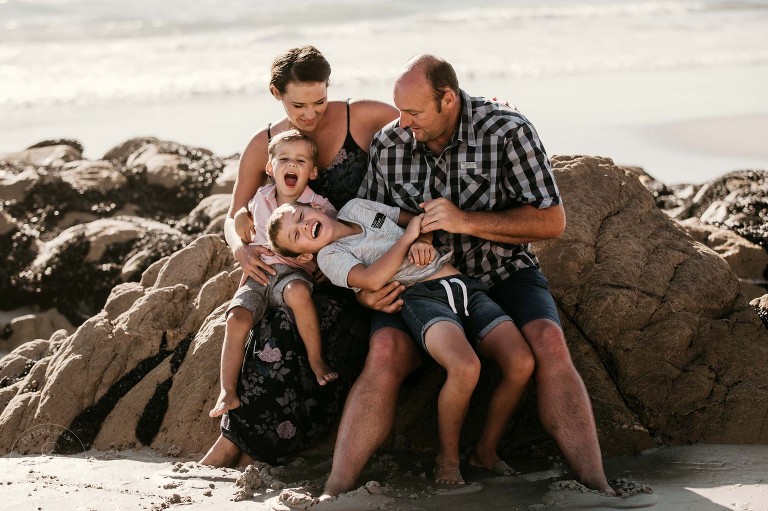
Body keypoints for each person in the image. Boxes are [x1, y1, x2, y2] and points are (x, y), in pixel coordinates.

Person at [320, 54, 614, 497]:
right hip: (418, 282)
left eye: (414, 112)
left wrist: (467, 221)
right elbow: (369, 226)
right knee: (382, 353)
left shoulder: (507, 130)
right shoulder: (390, 143)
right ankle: (335, 490)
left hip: (501, 272)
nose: (403, 123)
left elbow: (552, 221)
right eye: (400, 110)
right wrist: (366, 297)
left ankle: (597, 486)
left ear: (448, 99)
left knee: (549, 345)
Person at [200, 45, 399, 467]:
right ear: (276, 94)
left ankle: (262, 443)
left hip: (355, 268)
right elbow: (234, 212)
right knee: (270, 326)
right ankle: (237, 437)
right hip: (296, 271)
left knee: (310, 327)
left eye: (320, 100)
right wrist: (241, 249)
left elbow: (422, 114)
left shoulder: (357, 116)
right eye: (298, 104)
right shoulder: (265, 144)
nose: (311, 114)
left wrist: (478, 106)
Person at [267, 198, 535, 485]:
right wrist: (408, 238)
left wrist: (423, 238)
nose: (304, 225)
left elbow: (420, 219)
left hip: (463, 285)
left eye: (300, 216)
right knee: (465, 366)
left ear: (316, 208)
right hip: (419, 296)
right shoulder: (330, 256)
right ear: (304, 257)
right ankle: (448, 458)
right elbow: (371, 279)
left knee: (521, 362)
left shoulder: (356, 207)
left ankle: (485, 451)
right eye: (296, 235)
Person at [209, 129, 338, 426]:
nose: (292, 165)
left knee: (297, 293)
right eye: (284, 159)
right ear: (270, 168)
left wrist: (322, 259)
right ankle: (227, 391)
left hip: (291, 272)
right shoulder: (261, 197)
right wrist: (241, 213)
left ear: (313, 171)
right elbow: (240, 214)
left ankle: (316, 360)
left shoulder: (317, 205)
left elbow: (333, 232)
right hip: (257, 273)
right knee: (236, 318)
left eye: (301, 161)